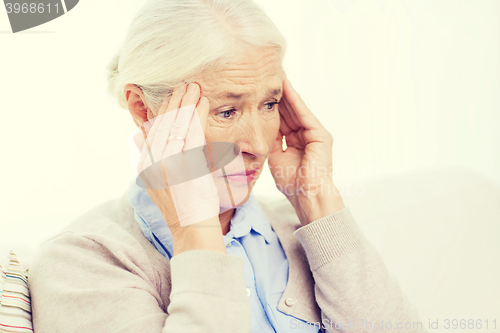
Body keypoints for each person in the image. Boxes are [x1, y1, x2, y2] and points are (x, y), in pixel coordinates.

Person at [28, 0, 428, 332]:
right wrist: (195, 233)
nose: (259, 144)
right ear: (143, 109)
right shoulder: (82, 263)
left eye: (269, 104)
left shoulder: (299, 231)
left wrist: (318, 200)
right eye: (226, 110)